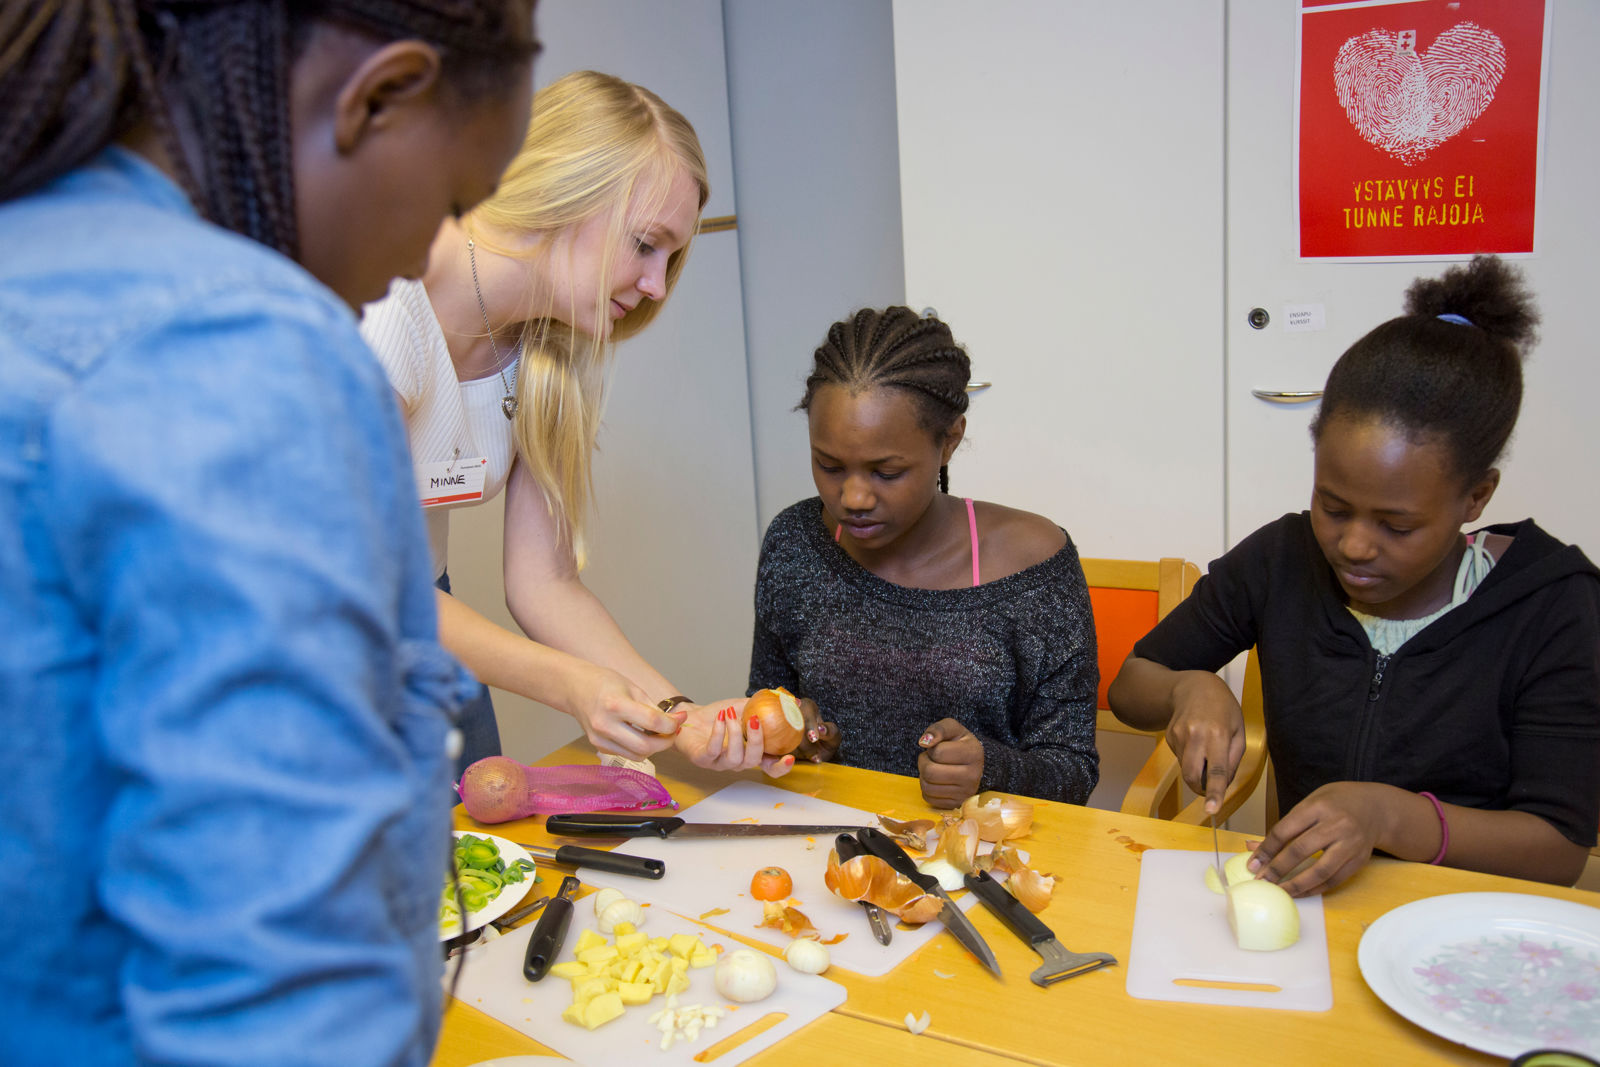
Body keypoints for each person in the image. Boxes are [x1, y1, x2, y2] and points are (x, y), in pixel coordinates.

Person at [0, 2, 537, 1063]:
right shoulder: (239, 344)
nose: (420, 257)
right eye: (451, 201)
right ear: (378, 94)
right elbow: (278, 989)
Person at [1109, 256, 1600, 896]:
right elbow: (1131, 684)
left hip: (1470, 918)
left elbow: (1557, 848)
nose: (1354, 545)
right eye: (1333, 507)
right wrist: (1189, 689)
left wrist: (1386, 815)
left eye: (1397, 526)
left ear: (1476, 498)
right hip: (1310, 904)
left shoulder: (1553, 605)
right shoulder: (1281, 559)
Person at [362, 69, 781, 780]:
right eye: (646, 244)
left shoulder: (549, 346)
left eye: (670, 258)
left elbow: (543, 580)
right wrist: (571, 684)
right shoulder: (382, 305)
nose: (655, 285)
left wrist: (674, 713)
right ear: (567, 191)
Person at [747, 306, 1100, 807]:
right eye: (828, 465)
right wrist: (794, 741)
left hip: (979, 860)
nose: (853, 498)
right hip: (823, 845)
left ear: (949, 440)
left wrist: (990, 770)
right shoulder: (795, 543)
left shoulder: (1032, 566)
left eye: (886, 472)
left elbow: (1074, 769)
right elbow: (765, 708)